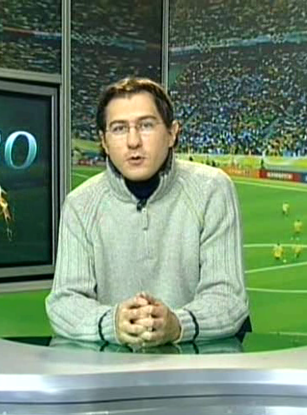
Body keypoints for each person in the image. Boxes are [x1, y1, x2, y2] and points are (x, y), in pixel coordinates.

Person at [45, 77, 249, 348]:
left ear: (172, 133)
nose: (133, 141)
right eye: (119, 128)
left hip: (197, 365)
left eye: (146, 125)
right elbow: (64, 302)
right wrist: (115, 323)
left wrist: (177, 324)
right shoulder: (80, 204)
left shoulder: (212, 189)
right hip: (114, 366)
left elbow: (229, 299)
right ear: (104, 141)